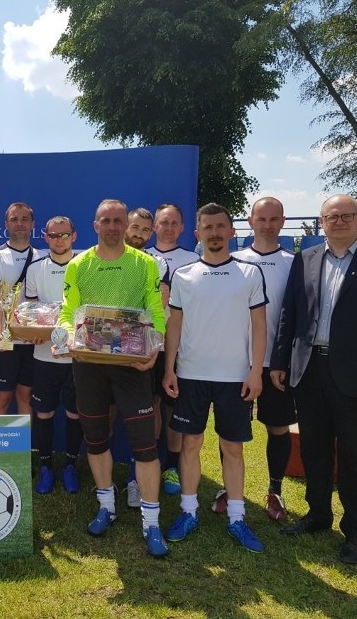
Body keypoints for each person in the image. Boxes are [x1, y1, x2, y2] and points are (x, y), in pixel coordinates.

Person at [272, 194, 357, 564]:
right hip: (308, 368)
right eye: (333, 216)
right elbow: (290, 314)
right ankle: (317, 515)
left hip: (354, 375)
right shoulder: (306, 258)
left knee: (352, 455)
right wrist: (280, 361)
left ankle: (355, 531)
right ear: (321, 221)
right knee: (314, 448)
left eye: (347, 215)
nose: (340, 221)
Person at [56, 199, 169, 558]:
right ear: (95, 225)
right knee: (95, 439)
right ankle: (106, 505)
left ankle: (151, 523)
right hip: (88, 365)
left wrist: (156, 346)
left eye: (118, 221)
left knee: (145, 446)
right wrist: (63, 338)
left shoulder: (146, 264)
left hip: (132, 366)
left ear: (126, 224)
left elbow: (155, 310)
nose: (112, 226)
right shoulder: (78, 264)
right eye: (105, 220)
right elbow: (68, 311)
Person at [162, 202, 267, 553]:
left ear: (232, 230)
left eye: (221, 226)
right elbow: (174, 326)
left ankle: (237, 518)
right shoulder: (183, 275)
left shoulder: (250, 273)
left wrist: (255, 370)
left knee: (232, 448)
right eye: (208, 227)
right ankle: (189, 511)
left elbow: (259, 325)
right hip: (191, 375)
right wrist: (169, 368)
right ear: (198, 233)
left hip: (235, 378)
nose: (215, 233)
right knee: (190, 445)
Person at [211, 197, 295, 520]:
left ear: (282, 222)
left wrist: (282, 361)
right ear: (250, 220)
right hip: (234, 362)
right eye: (262, 218)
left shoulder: (293, 262)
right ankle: (230, 490)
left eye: (274, 219)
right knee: (230, 431)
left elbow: (295, 316)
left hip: (274, 364)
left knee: (277, 426)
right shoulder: (233, 260)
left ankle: (275, 491)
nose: (268, 225)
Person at [26, 216, 82, 495]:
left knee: (75, 413)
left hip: (78, 357)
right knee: (44, 412)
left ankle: (71, 464)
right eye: (53, 235)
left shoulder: (86, 265)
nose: (59, 240)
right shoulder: (36, 269)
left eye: (64, 235)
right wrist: (32, 330)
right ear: (45, 237)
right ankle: (46, 464)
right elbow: (32, 312)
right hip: (44, 355)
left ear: (74, 236)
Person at [145, 204, 199, 497]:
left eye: (174, 223)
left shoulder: (193, 260)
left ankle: (173, 466)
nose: (168, 227)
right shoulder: (141, 258)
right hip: (145, 344)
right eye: (163, 222)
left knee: (172, 406)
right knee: (150, 403)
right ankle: (150, 461)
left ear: (182, 228)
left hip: (179, 346)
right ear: (155, 226)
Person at [121, 207, 168, 508]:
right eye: (134, 227)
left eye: (145, 230)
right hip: (106, 351)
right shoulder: (99, 257)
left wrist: (150, 347)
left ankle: (138, 477)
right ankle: (116, 475)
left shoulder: (157, 262)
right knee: (110, 411)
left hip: (141, 351)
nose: (139, 234)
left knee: (149, 410)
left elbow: (158, 308)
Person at [0, 202, 43, 415]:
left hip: (33, 339)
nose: (19, 224)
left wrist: (42, 332)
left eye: (24, 219)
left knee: (26, 396)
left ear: (33, 224)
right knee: (2, 397)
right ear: (6, 224)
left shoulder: (43, 257)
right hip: (6, 338)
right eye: (14, 219)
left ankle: (23, 449)